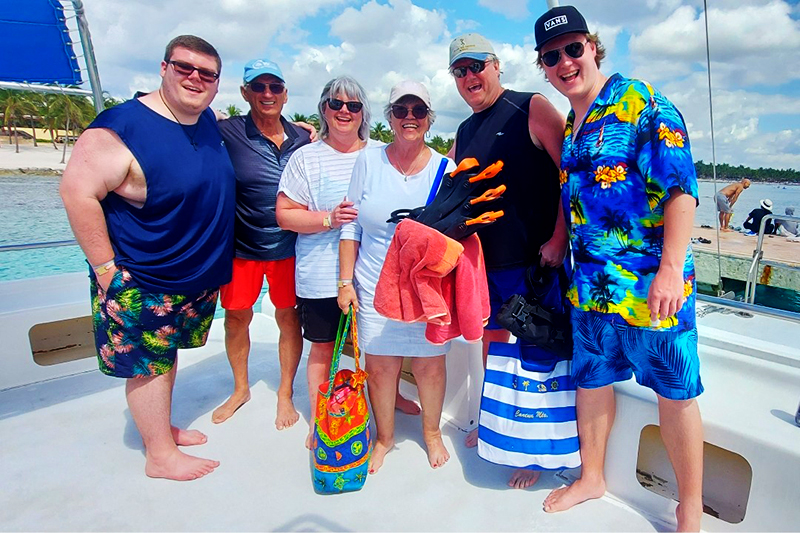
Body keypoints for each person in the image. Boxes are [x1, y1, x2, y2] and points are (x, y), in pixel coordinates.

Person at [534, 6, 704, 531]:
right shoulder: (572, 123)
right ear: (544, 67)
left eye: (573, 49)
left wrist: (671, 269)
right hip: (589, 288)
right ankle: (592, 478)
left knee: (675, 393)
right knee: (592, 381)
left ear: (593, 47)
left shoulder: (642, 102)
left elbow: (681, 189)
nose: (565, 63)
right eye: (552, 57)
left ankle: (690, 507)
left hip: (652, 289)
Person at [59, 35, 235, 481]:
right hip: (142, 275)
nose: (195, 78)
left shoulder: (205, 119)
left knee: (164, 356)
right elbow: (76, 193)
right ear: (163, 68)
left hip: (192, 276)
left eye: (207, 73)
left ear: (217, 82)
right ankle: (159, 455)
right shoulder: (119, 128)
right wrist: (106, 271)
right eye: (184, 67)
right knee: (146, 366)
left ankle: (159, 430)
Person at [447, 32, 567, 489]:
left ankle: (536, 452)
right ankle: (497, 425)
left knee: (537, 353)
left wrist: (559, 239)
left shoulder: (530, 107)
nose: (470, 76)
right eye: (460, 70)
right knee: (492, 348)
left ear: (496, 66)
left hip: (535, 264)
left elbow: (570, 174)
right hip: (486, 265)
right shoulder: (464, 130)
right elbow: (447, 187)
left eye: (477, 65)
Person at [338, 80, 456, 474]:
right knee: (381, 366)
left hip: (426, 290)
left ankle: (432, 433)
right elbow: (350, 226)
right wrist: (345, 283)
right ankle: (384, 438)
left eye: (418, 111)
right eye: (401, 110)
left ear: (429, 119)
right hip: (374, 285)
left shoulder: (444, 169)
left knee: (430, 366)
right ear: (389, 117)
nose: (409, 118)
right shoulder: (367, 161)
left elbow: (456, 232)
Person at [276, 76, 387, 449]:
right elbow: (284, 215)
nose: (344, 111)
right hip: (321, 275)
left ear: (363, 113)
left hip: (372, 274)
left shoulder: (381, 153)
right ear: (323, 109)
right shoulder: (305, 157)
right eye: (336, 104)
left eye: (353, 106)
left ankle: (385, 404)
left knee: (377, 348)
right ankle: (319, 417)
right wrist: (328, 218)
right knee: (323, 347)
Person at [212, 59, 311, 427]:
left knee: (288, 317)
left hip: (289, 247)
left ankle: (285, 393)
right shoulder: (227, 130)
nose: (267, 93)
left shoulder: (303, 137)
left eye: (274, 87)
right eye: (258, 86)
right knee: (236, 319)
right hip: (242, 248)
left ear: (285, 94)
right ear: (245, 92)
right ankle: (241, 389)